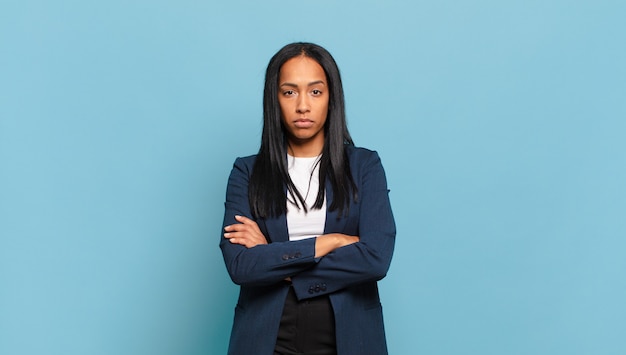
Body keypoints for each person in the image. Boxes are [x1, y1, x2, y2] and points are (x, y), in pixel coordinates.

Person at [220, 42, 396, 355]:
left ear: (332, 98)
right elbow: (242, 266)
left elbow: (375, 258)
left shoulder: (365, 167)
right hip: (267, 337)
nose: (303, 105)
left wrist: (273, 256)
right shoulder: (247, 171)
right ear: (274, 99)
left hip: (349, 335)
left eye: (315, 91)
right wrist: (325, 243)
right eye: (289, 92)